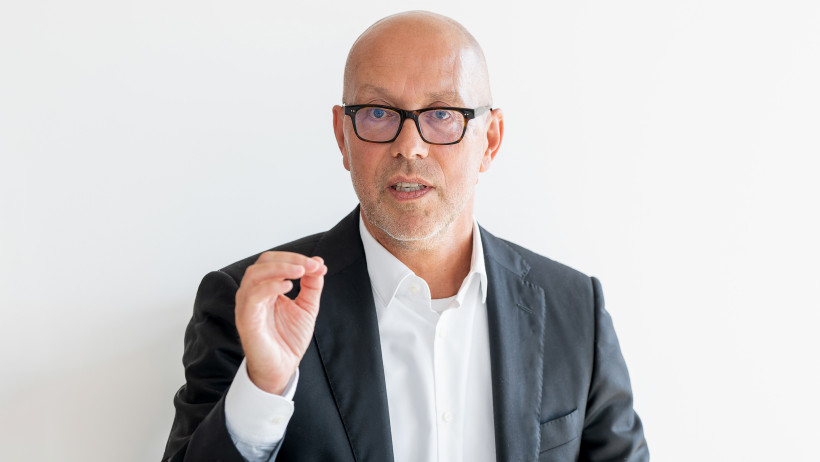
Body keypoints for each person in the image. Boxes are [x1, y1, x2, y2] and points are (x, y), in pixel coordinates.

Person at [163, 10, 648, 462]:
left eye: (442, 114)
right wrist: (263, 388)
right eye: (378, 113)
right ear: (342, 136)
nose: (409, 147)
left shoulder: (574, 309)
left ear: (490, 140)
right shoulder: (253, 306)